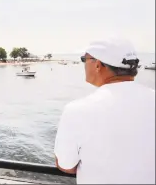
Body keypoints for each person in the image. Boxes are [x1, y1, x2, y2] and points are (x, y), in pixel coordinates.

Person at [54, 38, 155, 184]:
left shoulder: (77, 110)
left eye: (84, 59)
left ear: (98, 65)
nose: (83, 64)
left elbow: (66, 165)